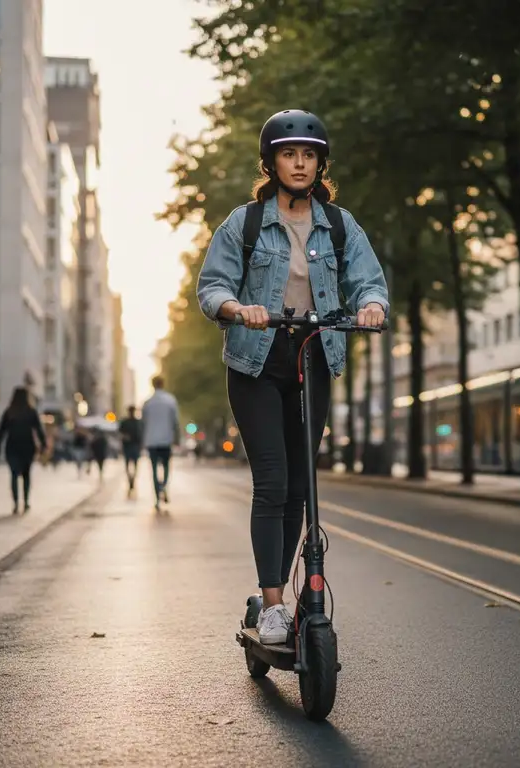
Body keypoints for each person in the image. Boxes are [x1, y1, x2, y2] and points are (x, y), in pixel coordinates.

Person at [196, 109, 389, 644]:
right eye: (289, 154)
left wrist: (371, 306)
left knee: (303, 486)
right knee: (274, 482)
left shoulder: (340, 224)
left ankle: (293, 595)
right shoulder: (246, 223)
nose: (299, 163)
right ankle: (275, 603)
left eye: (308, 155)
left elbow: (369, 281)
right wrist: (239, 308)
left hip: (314, 355)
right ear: (271, 162)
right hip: (256, 362)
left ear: (320, 162)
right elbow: (211, 286)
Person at [0, 387, 46, 514]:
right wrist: (43, 444)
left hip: (12, 447)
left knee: (13, 475)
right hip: (28, 447)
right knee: (26, 475)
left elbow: (1, 432)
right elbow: (39, 429)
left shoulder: (9, 412)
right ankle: (26, 501)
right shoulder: (31, 411)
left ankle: (16, 503)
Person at [141, 376, 180, 510]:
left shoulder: (147, 403)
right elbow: (175, 421)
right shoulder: (170, 400)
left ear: (152, 385)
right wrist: (177, 438)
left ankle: (157, 498)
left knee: (153, 470)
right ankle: (163, 485)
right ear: (163, 384)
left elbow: (143, 423)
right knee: (166, 467)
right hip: (166, 439)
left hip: (151, 440)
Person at [119, 405, 143, 494]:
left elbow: (141, 435)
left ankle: (132, 480)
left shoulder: (137, 422)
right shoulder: (125, 422)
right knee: (128, 466)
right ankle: (130, 480)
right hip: (128, 446)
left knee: (134, 466)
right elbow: (120, 433)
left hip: (134, 446)